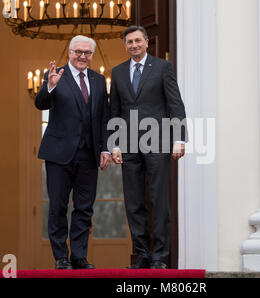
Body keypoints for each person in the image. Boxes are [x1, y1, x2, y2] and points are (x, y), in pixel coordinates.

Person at [109, 25, 187, 269]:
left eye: (137, 41)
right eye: (129, 42)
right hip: (128, 144)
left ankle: (159, 256)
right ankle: (142, 254)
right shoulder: (118, 72)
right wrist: (114, 144)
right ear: (125, 45)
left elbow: (175, 103)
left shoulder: (162, 67)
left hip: (158, 141)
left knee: (158, 199)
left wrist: (180, 139)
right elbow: (115, 111)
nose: (133, 45)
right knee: (133, 202)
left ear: (146, 42)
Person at [35, 35, 111, 270]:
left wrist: (106, 148)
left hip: (89, 155)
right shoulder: (56, 75)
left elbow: (104, 118)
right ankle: (61, 257)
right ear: (69, 52)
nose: (82, 56)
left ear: (91, 55)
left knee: (84, 209)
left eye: (87, 53)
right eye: (78, 52)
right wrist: (51, 85)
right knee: (58, 206)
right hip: (59, 154)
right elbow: (40, 103)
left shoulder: (99, 80)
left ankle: (79, 256)